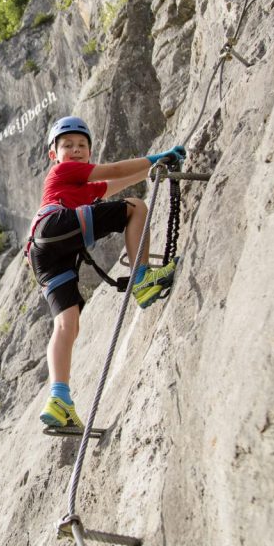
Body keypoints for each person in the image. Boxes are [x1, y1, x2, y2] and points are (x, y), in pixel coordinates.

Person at [26, 116, 185, 429]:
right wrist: (156, 156)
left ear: (89, 152)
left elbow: (116, 182)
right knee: (136, 207)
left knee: (66, 323)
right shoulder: (62, 171)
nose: (75, 150)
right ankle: (142, 279)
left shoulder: (82, 189)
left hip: (43, 254)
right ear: (53, 155)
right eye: (67, 145)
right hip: (53, 229)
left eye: (82, 146)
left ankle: (59, 399)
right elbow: (113, 171)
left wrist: (156, 165)